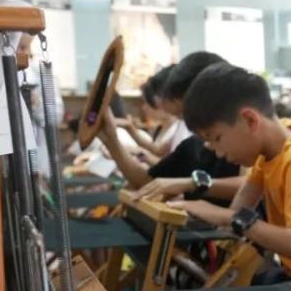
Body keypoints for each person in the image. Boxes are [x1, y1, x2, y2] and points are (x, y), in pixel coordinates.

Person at [171, 63, 291, 284]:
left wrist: (229, 217)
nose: (217, 151)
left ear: (250, 120)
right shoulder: (273, 148)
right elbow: (239, 208)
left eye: (216, 138)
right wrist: (195, 210)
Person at [98, 51, 244, 206]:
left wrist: (191, 184)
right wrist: (111, 140)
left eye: (184, 115)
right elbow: (148, 182)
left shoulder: (244, 139)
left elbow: (249, 186)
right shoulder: (192, 145)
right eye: (182, 117)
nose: (190, 125)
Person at [114, 66, 179, 162]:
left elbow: (164, 164)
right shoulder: (164, 129)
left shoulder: (179, 129)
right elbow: (157, 151)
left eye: (146, 102)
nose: (143, 108)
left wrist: (137, 153)